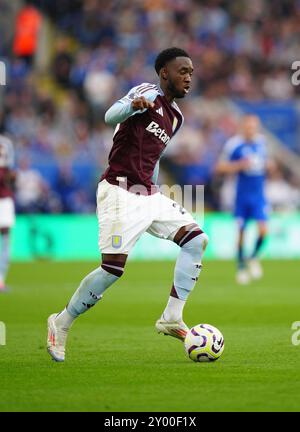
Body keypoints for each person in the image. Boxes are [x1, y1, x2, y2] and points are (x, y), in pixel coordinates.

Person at [47, 47, 209, 362]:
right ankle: (61, 321)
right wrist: (132, 106)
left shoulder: (176, 117)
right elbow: (110, 116)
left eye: (191, 72)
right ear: (164, 73)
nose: (188, 77)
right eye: (182, 71)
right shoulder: (146, 92)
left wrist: (155, 188)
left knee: (196, 239)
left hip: (148, 194)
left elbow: (155, 156)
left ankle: (172, 317)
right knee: (112, 269)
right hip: (118, 192)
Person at [215, 115, 270, 285]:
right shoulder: (234, 144)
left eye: (254, 127)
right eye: (248, 127)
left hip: (259, 196)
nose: (251, 130)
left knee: (263, 231)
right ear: (243, 127)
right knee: (241, 232)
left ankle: (252, 258)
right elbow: (220, 167)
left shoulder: (262, 142)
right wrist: (240, 165)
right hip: (241, 196)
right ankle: (240, 267)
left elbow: (265, 162)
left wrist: (269, 165)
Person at [0, 134, 16, 292]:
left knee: (5, 238)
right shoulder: (6, 143)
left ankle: (0, 280)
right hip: (4, 198)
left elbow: (10, 172)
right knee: (5, 239)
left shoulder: (6, 143)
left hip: (4, 199)